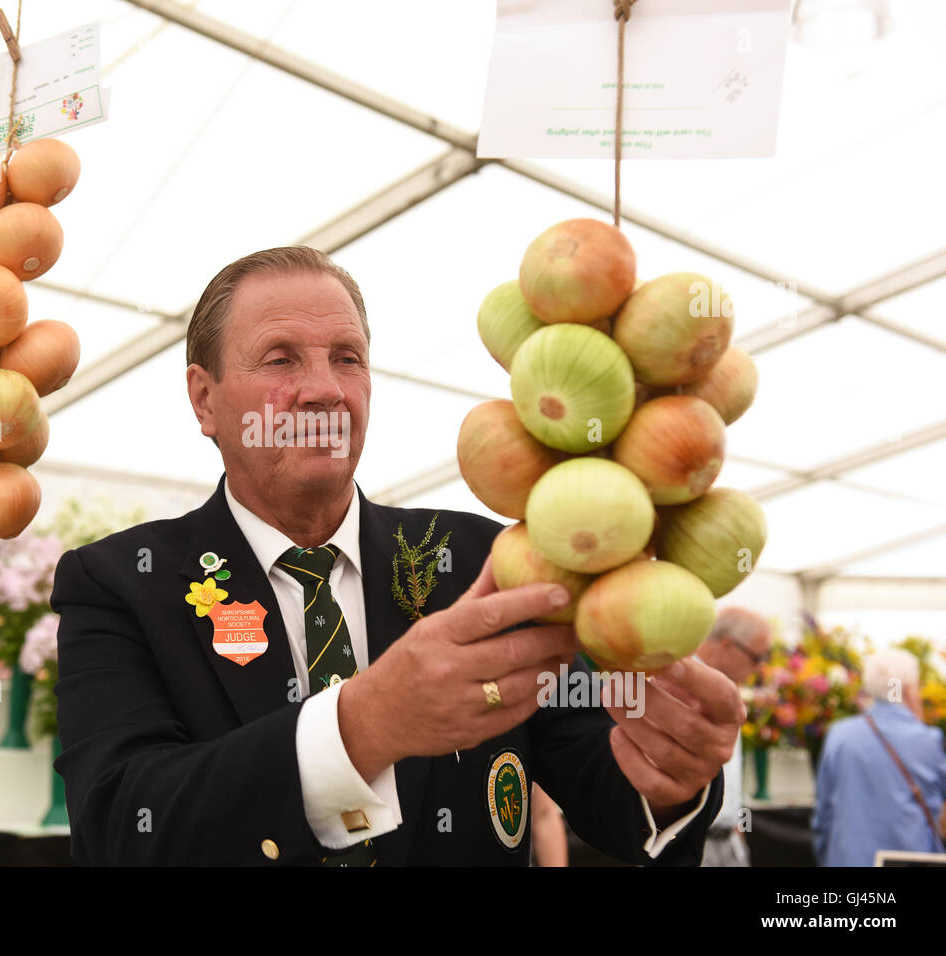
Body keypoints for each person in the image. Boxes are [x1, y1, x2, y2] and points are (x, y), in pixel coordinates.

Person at [51, 246, 741, 865]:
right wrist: (365, 723)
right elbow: (120, 829)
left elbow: (606, 788)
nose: (325, 388)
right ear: (205, 400)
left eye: (347, 357)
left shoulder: (485, 559)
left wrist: (670, 779)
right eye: (282, 358)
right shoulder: (120, 583)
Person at [813, 647, 946, 866]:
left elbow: (823, 813)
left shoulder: (839, 734)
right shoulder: (927, 740)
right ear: (910, 689)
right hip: (909, 859)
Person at [693, 607, 771, 866]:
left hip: (726, 842)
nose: (761, 667)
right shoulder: (681, 683)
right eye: (756, 657)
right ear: (727, 645)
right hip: (692, 843)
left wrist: (736, 832)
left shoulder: (727, 689)